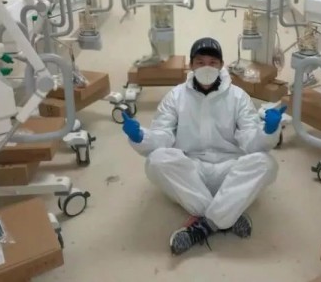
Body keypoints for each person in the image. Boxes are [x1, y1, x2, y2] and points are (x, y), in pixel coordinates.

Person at [121, 37, 286, 255]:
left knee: (266, 164)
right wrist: (140, 136)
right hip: (191, 172)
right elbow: (162, 137)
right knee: (156, 161)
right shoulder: (175, 97)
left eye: (212, 63)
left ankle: (205, 225)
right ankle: (227, 215)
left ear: (221, 65)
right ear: (191, 65)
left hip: (229, 170)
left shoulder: (238, 97)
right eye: (200, 62)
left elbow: (251, 142)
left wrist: (268, 132)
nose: (206, 68)